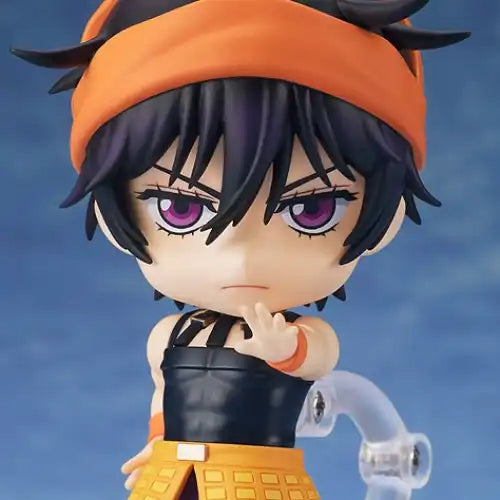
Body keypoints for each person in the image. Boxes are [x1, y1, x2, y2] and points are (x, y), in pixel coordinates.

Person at [12, 0, 469, 498]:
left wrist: (285, 350)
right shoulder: (169, 336)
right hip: (170, 478)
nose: (240, 256)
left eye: (311, 209)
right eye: (180, 208)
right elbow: (164, 398)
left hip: (261, 482)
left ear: (386, 219)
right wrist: (157, 443)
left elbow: (316, 357)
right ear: (111, 211)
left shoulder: (300, 332)